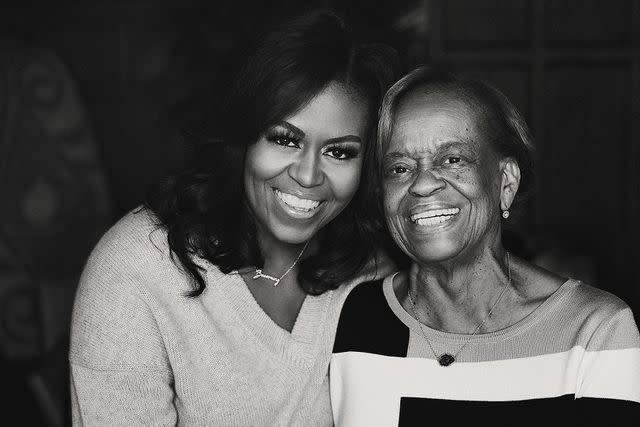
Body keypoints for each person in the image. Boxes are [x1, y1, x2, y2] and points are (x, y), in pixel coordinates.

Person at [69, 10, 397, 425]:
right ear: (242, 137)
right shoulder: (137, 268)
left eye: (340, 152)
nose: (308, 175)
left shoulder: (374, 276)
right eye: (284, 139)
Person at [330, 67, 640, 425]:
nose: (423, 184)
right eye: (399, 167)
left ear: (505, 182)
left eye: (452, 160)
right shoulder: (352, 317)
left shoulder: (595, 332)